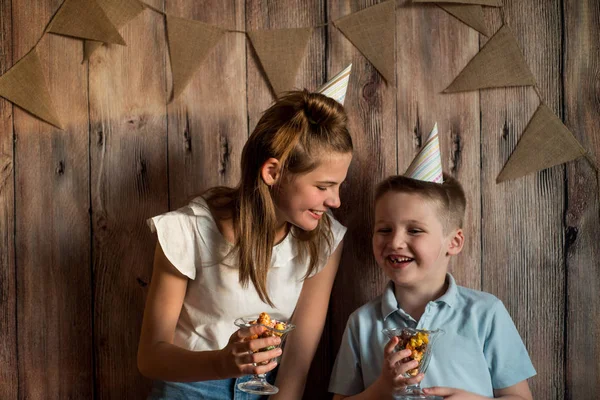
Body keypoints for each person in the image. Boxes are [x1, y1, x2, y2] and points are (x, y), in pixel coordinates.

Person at [138, 90, 353, 399]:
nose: (335, 200)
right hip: (190, 388)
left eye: (338, 185)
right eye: (323, 186)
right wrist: (221, 363)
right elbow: (150, 358)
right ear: (273, 172)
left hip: (268, 389)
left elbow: (296, 363)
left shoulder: (325, 239)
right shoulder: (187, 231)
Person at [329, 174, 536, 399]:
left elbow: (520, 397)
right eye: (384, 230)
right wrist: (382, 389)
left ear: (454, 242)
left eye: (414, 230)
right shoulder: (362, 322)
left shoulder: (486, 313)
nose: (395, 242)